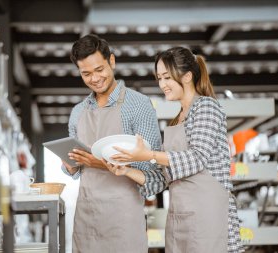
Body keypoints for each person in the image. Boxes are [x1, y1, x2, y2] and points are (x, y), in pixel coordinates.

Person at [105, 47, 243, 253]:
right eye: (159, 78)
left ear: (187, 76)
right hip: (181, 219)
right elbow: (163, 179)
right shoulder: (176, 120)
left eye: (167, 77)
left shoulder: (206, 107)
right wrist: (126, 171)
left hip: (210, 218)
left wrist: (149, 155)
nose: (162, 85)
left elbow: (197, 158)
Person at [61, 34, 162, 253]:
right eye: (86, 73)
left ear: (112, 62)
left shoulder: (139, 105)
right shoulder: (78, 112)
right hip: (86, 214)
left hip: (123, 216)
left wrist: (100, 162)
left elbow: (152, 166)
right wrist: (69, 165)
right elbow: (74, 169)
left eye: (99, 70)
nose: (94, 78)